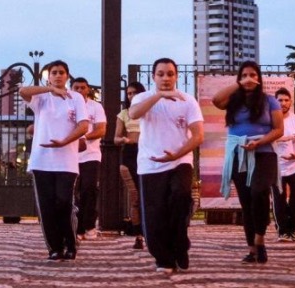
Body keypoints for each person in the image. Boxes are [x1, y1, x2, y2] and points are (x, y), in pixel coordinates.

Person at [130, 57, 205, 276]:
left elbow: (198, 135)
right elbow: (134, 115)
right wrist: (159, 95)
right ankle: (164, 258)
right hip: (150, 165)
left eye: (170, 74)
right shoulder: (143, 97)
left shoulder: (187, 100)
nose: (165, 78)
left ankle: (180, 245)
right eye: (161, 74)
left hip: (180, 161)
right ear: (153, 77)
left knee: (181, 198)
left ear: (176, 76)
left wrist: (178, 154)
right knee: (155, 214)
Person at [212, 61, 284, 264]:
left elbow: (279, 129)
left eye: (253, 75)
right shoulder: (233, 100)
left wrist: (260, 141)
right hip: (238, 154)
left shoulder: (270, 101)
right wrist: (240, 84)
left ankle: (260, 238)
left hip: (264, 153)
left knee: (259, 191)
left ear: (260, 78)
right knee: (247, 202)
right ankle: (253, 249)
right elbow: (216, 100)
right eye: (244, 75)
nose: (249, 78)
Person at [20, 60, 89, 261]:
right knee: (47, 206)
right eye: (54, 73)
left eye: (62, 72)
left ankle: (70, 243)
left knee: (64, 203)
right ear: (48, 77)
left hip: (66, 161)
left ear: (67, 76)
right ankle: (54, 247)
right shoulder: (41, 97)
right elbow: (23, 91)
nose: (58, 75)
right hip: (41, 161)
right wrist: (50, 89)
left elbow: (83, 126)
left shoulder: (75, 98)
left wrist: (65, 141)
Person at [271, 87, 295, 242]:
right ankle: (282, 230)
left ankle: (293, 229)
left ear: (291, 102)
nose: (283, 103)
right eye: (280, 100)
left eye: (286, 100)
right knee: (279, 199)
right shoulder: (270, 120)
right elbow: (265, 139)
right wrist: (284, 138)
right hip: (276, 166)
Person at [71, 77, 106, 242]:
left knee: (89, 190)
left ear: (88, 90)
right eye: (76, 87)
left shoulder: (95, 107)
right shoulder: (68, 105)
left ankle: (89, 225)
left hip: (91, 155)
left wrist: (83, 137)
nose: (79, 90)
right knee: (72, 193)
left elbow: (101, 130)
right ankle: (76, 228)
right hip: (70, 155)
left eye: (82, 88)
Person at [115, 80, 147, 250]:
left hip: (147, 153)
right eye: (128, 93)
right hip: (130, 154)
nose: (132, 96)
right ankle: (138, 234)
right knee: (135, 196)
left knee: (148, 196)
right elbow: (115, 138)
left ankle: (151, 230)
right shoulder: (124, 114)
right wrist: (124, 139)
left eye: (135, 93)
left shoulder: (149, 111)